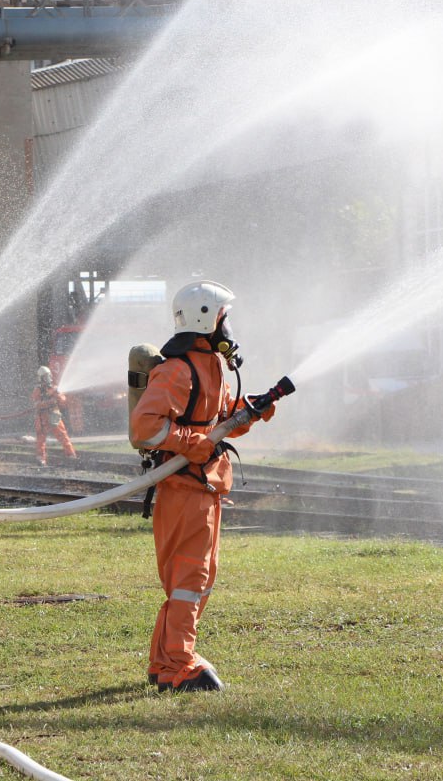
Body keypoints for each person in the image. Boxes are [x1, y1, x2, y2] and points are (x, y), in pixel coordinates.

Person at [129, 281, 275, 693]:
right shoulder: (177, 369)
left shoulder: (209, 365)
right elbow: (146, 426)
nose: (229, 328)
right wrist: (191, 444)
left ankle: (165, 660)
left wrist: (250, 412)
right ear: (206, 318)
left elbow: (215, 419)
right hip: (182, 489)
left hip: (205, 487)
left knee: (197, 577)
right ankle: (179, 664)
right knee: (187, 579)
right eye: (225, 318)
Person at [32, 365, 76, 467]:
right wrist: (49, 402)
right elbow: (36, 404)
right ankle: (40, 458)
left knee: (63, 436)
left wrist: (58, 396)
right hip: (42, 417)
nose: (48, 378)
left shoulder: (55, 388)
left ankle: (71, 455)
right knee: (41, 439)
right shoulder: (37, 390)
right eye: (45, 376)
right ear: (41, 378)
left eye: (48, 376)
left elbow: (63, 402)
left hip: (54, 416)